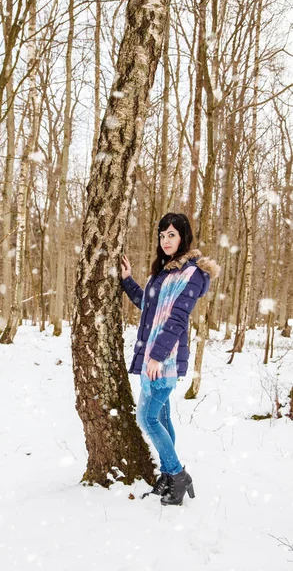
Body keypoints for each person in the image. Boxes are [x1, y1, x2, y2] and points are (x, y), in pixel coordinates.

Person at [121, 212, 220, 506]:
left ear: (183, 237)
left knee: (147, 418)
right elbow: (148, 305)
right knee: (161, 417)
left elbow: (177, 318)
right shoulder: (163, 272)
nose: (166, 241)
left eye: (172, 235)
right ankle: (167, 474)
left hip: (163, 359)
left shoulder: (192, 274)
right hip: (151, 355)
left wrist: (156, 356)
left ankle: (177, 475)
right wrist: (128, 282)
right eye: (162, 235)